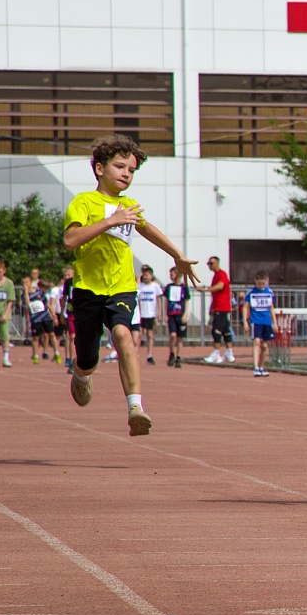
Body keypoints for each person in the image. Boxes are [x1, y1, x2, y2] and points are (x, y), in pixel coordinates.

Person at [63, 134, 199, 436]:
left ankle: (135, 408)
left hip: (122, 287)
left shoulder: (129, 205)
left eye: (132, 170)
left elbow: (147, 229)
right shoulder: (84, 202)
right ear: (100, 169)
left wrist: (177, 255)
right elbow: (70, 240)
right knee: (87, 358)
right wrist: (111, 221)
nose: (126, 174)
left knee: (123, 333)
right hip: (87, 290)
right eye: (120, 167)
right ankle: (82, 375)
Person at [199, 256, 235, 364]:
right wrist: (212, 307)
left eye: (211, 263)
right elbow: (216, 294)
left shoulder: (221, 274)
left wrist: (206, 289)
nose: (209, 266)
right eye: (208, 263)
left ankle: (216, 353)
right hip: (218, 306)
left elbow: (220, 286)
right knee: (226, 330)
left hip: (222, 307)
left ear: (217, 263)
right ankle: (229, 352)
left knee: (217, 330)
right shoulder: (215, 276)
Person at [243, 270, 278, 377]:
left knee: (265, 346)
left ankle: (262, 367)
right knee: (257, 342)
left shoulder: (269, 292)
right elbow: (245, 307)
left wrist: (275, 323)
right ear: (255, 281)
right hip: (256, 321)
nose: (261, 285)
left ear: (266, 281)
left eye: (263, 283)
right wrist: (245, 321)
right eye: (259, 283)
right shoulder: (251, 292)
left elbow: (271, 308)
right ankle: (255, 367)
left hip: (266, 322)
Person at [162, 265, 190, 368]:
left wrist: (185, 314)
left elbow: (186, 301)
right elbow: (166, 301)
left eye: (172, 274)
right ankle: (172, 353)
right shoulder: (169, 287)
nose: (171, 276)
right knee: (173, 335)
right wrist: (165, 314)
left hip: (180, 314)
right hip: (172, 315)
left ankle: (179, 357)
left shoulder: (184, 288)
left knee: (180, 338)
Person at [135, 265, 163, 365]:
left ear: (151, 275)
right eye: (144, 275)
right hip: (141, 314)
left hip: (150, 314)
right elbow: (137, 299)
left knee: (150, 335)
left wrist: (159, 313)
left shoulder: (155, 286)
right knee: (138, 335)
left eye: (147, 275)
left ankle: (149, 355)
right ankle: (136, 354)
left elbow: (159, 300)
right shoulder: (140, 286)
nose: (145, 277)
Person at [24, 277, 54, 364]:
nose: (25, 284)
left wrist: (52, 312)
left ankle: (46, 351)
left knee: (46, 334)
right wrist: (26, 291)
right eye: (24, 283)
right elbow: (27, 302)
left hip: (44, 316)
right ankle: (36, 354)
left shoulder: (39, 292)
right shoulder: (25, 294)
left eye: (27, 282)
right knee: (36, 337)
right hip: (35, 318)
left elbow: (46, 303)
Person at [0, 260, 14, 367]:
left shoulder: (9, 283)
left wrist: (5, 314)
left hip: (4, 314)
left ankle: (6, 357)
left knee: (5, 337)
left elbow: (10, 300)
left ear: (4, 271)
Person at [58, 266, 76, 372]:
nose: (68, 276)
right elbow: (64, 297)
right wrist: (62, 313)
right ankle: (72, 362)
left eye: (70, 274)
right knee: (72, 336)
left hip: (83, 311)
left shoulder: (84, 281)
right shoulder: (68, 283)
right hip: (71, 310)